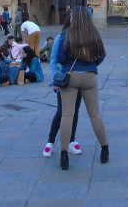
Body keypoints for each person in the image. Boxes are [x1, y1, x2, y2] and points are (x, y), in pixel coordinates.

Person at [55, 6, 109, 171]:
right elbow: (102, 55)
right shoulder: (93, 34)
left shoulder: (67, 34)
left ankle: (64, 155)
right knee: (94, 115)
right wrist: (91, 65)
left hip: (70, 77)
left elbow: (60, 57)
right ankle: (104, 149)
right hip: (89, 77)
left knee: (67, 115)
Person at [44, 17, 82, 159]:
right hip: (64, 80)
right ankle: (50, 142)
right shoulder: (60, 39)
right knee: (62, 111)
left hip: (78, 79)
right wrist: (56, 79)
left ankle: (71, 140)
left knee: (75, 111)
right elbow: (53, 62)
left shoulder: (81, 39)